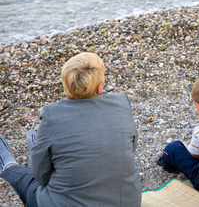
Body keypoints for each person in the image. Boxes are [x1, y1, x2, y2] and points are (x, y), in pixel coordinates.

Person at [0, 52, 141, 207]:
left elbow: (40, 176)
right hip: (127, 202)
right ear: (100, 87)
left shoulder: (52, 114)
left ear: (66, 86)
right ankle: (38, 149)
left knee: (28, 182)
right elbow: (130, 149)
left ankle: (9, 164)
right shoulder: (121, 103)